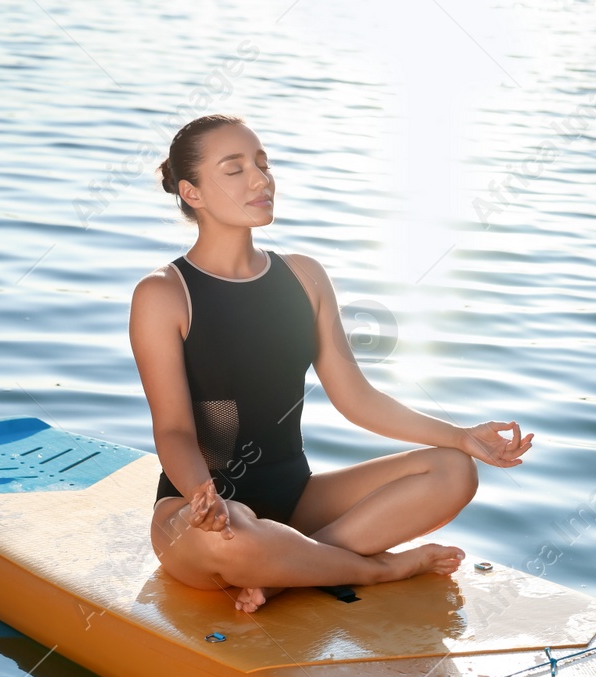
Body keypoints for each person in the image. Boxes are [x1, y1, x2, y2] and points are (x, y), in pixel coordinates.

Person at [131, 114, 532, 613]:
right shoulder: (165, 294)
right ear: (193, 193)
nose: (261, 179)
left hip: (295, 500)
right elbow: (173, 430)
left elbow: (356, 397)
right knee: (228, 539)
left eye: (262, 163)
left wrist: (460, 436)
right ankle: (382, 567)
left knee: (454, 471)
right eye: (234, 170)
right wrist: (201, 496)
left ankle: (286, 570)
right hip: (200, 516)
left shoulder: (304, 277)